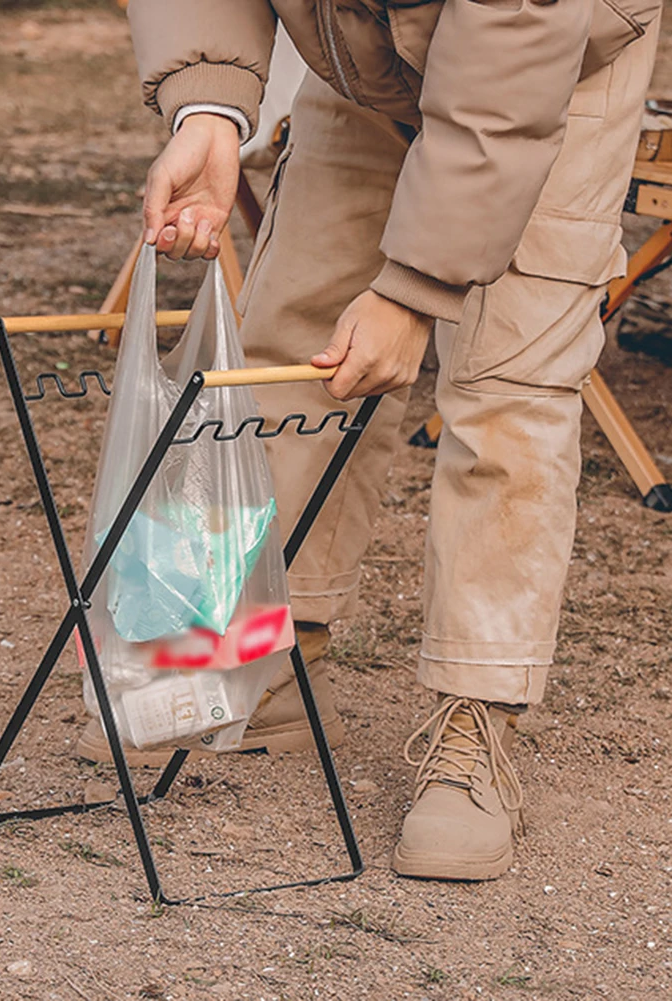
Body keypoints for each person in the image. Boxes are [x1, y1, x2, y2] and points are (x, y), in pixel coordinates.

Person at [78, 0, 662, 880]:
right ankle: (266, 655)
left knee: (507, 386)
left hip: (550, 63)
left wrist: (412, 287)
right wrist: (208, 107)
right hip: (359, 55)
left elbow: (505, 78)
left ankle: (476, 719)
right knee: (294, 341)